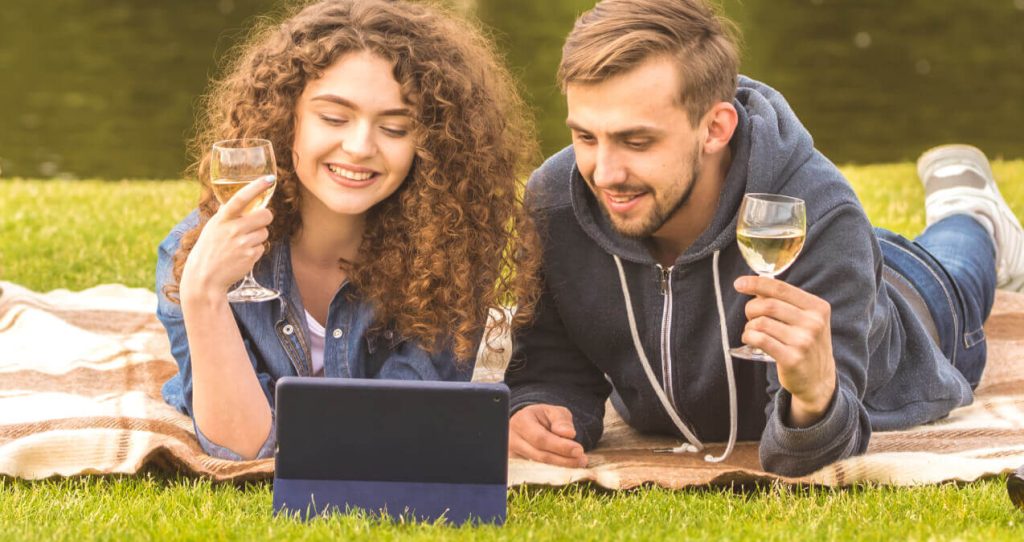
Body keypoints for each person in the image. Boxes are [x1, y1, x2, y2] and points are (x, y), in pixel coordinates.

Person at [505, 0, 1024, 476]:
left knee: (957, 268)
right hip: (827, 256)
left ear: (716, 128)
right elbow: (550, 363)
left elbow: (810, 457)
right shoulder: (556, 204)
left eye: (636, 141)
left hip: (910, 301)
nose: (604, 173)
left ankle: (973, 214)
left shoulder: (819, 215)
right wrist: (541, 408)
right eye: (585, 136)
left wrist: (815, 398)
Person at [156, 0, 539, 461]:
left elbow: (398, 428)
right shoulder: (190, 254)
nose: (359, 147)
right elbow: (243, 449)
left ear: (430, 143)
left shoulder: (448, 254)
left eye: (394, 128)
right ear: (285, 118)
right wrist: (203, 294)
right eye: (334, 118)